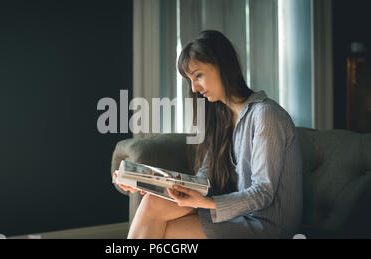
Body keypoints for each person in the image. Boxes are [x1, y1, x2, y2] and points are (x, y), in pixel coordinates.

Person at [113, 30, 303, 239]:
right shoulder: (221, 118)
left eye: (198, 76)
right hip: (236, 216)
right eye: (190, 80)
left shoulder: (265, 115)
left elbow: (263, 193)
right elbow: (205, 180)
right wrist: (151, 182)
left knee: (165, 233)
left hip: (266, 225)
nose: (194, 88)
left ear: (223, 66)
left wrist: (206, 203)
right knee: (153, 201)